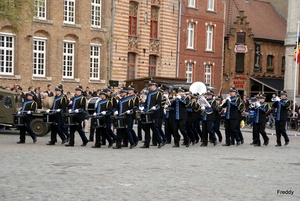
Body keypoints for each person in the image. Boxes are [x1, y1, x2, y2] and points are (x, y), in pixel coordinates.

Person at [140, 80, 163, 148]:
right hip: (148, 112)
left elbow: (159, 104)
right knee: (146, 128)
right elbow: (147, 102)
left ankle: (160, 141)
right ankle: (146, 143)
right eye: (149, 86)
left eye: (151, 85)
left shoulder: (158, 93)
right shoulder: (149, 93)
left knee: (154, 128)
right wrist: (142, 106)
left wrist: (155, 108)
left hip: (154, 113)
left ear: (155, 86)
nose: (150, 87)